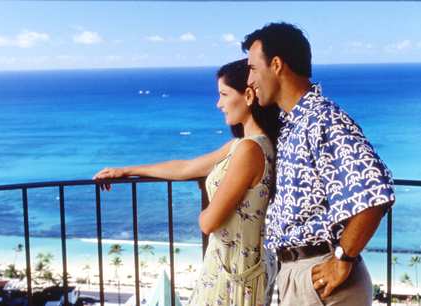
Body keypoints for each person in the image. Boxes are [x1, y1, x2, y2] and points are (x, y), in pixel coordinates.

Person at [93, 59, 280, 306]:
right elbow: (187, 167)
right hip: (235, 269)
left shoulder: (249, 149)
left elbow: (209, 222)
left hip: (235, 277)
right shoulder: (244, 145)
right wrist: (127, 170)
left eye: (224, 94)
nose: (219, 104)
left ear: (247, 95)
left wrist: (205, 214)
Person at [242, 23, 395, 306]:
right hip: (302, 274)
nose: (248, 79)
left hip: (321, 276)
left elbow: (375, 191)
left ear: (276, 64)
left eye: (252, 68)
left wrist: (343, 259)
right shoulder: (293, 123)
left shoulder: (321, 119)